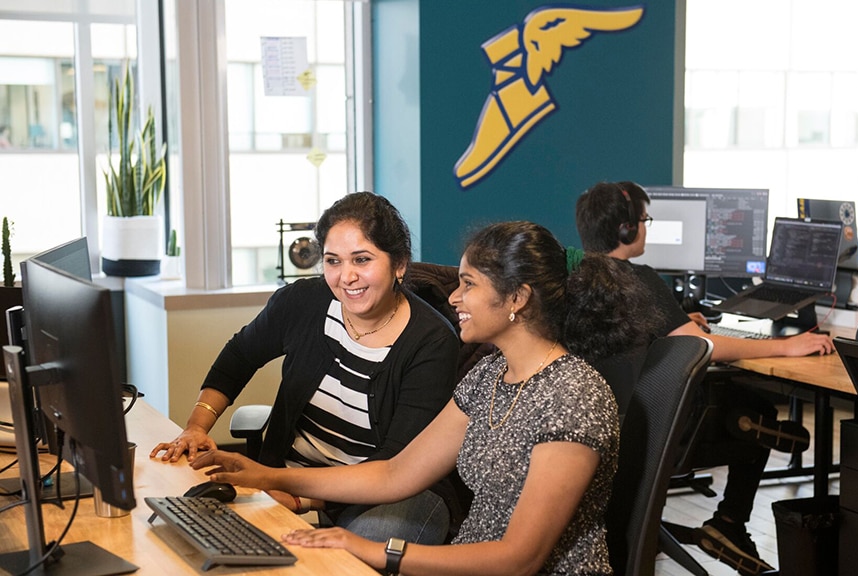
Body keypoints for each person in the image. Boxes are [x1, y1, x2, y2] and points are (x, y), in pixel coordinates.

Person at [190, 221, 655, 576]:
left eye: (469, 284)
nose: (453, 296)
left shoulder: (573, 396)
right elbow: (396, 474)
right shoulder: (490, 375)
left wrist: (372, 549)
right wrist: (267, 475)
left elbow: (520, 559)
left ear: (517, 298)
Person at [151, 191, 461, 545]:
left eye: (362, 260)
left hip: (393, 493)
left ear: (400, 264)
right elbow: (239, 356)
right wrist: (196, 426)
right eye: (333, 261)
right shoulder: (304, 302)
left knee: (356, 553)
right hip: (289, 476)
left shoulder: (432, 342)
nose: (346, 277)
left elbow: (395, 466)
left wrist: (299, 497)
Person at [576, 180, 834, 575]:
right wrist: (787, 346)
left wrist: (680, 322)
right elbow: (703, 346)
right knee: (757, 408)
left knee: (748, 413)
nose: (645, 227)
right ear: (627, 229)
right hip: (653, 439)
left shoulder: (578, 278)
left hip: (604, 433)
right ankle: (731, 520)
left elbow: (644, 334)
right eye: (644, 219)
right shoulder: (639, 279)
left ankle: (733, 509)